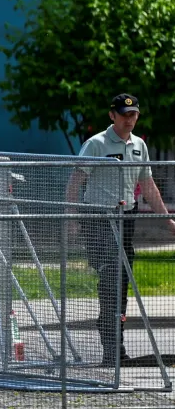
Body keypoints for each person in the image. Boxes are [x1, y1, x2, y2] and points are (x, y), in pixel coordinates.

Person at [64, 93, 175, 365]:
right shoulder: (96, 144)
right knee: (111, 276)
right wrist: (71, 218)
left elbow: (147, 185)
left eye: (133, 114)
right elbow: (76, 181)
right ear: (112, 115)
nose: (129, 119)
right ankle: (111, 348)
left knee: (122, 279)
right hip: (99, 217)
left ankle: (117, 348)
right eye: (124, 115)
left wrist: (166, 219)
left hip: (126, 216)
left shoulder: (139, 145)